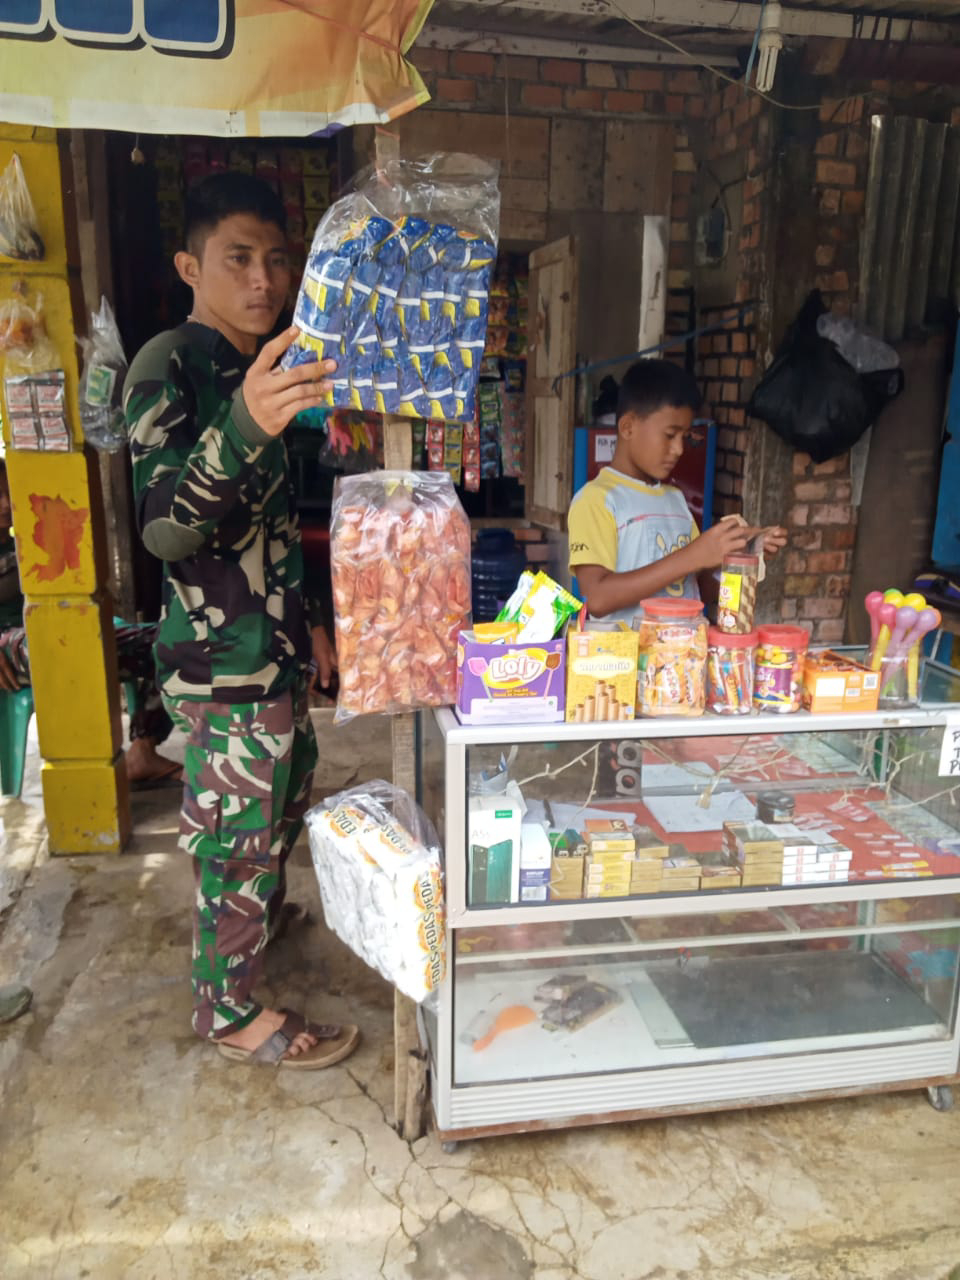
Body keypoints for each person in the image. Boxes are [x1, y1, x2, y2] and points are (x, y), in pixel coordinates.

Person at [124, 173, 358, 1070]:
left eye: (276, 259)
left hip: (277, 652)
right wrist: (244, 428)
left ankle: (254, 919)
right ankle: (228, 1012)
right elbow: (166, 527)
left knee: (279, 807)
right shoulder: (169, 365)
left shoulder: (265, 368)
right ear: (191, 265)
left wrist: (317, 624)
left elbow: (276, 529)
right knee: (235, 835)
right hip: (221, 668)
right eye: (238, 258)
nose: (264, 279)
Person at [0, 460, 180, 787]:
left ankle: (143, 749)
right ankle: (79, 779)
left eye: (5, 492)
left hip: (62, 630)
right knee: (54, 642)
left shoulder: (31, 535)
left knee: (173, 641)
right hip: (17, 648)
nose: (3, 503)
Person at [569, 359, 786, 622]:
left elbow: (700, 591)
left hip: (687, 654)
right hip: (630, 659)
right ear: (627, 427)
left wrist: (742, 557)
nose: (679, 449)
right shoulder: (597, 500)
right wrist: (692, 556)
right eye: (670, 435)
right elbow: (598, 599)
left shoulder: (674, 499)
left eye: (684, 437)